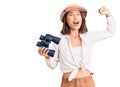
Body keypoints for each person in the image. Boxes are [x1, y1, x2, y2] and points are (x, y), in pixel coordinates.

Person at [38, 4, 115, 87]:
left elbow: (110, 32)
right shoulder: (59, 40)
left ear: (82, 18)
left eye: (78, 14)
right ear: (65, 19)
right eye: (71, 14)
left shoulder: (88, 36)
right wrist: (47, 57)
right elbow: (52, 65)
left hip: (87, 82)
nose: (75, 17)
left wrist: (108, 14)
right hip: (68, 83)